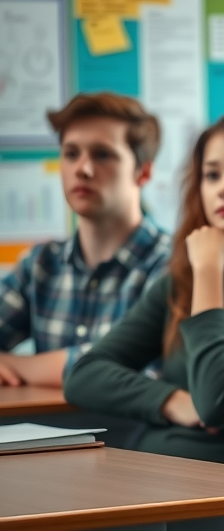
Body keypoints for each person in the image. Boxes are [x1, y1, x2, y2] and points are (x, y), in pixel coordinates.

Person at [65, 110, 224, 468]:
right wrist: (172, 401)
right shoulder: (181, 281)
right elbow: (83, 375)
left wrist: (209, 270)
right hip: (150, 468)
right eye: (212, 175)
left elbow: (219, 403)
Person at [0, 92, 171, 387]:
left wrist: (15, 365)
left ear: (142, 172)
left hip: (130, 433)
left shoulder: (173, 263)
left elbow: (129, 369)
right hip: (45, 433)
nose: (82, 169)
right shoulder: (41, 263)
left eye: (102, 154)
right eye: (71, 154)